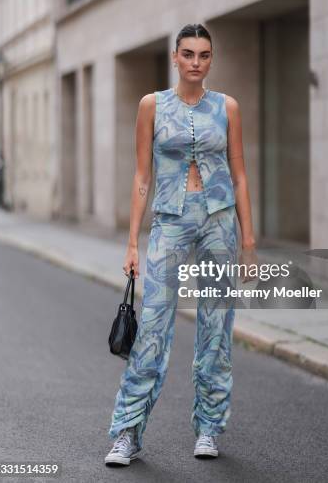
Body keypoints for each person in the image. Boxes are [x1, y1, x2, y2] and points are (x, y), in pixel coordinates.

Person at [105, 23, 258, 467]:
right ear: (175, 57)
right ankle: (127, 433)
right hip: (169, 221)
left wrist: (248, 241)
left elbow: (241, 175)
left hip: (218, 221)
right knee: (151, 328)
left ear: (212, 59)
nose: (195, 62)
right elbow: (141, 176)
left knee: (216, 329)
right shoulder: (151, 105)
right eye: (188, 53)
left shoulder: (227, 107)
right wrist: (133, 241)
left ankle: (208, 427)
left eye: (204, 55)